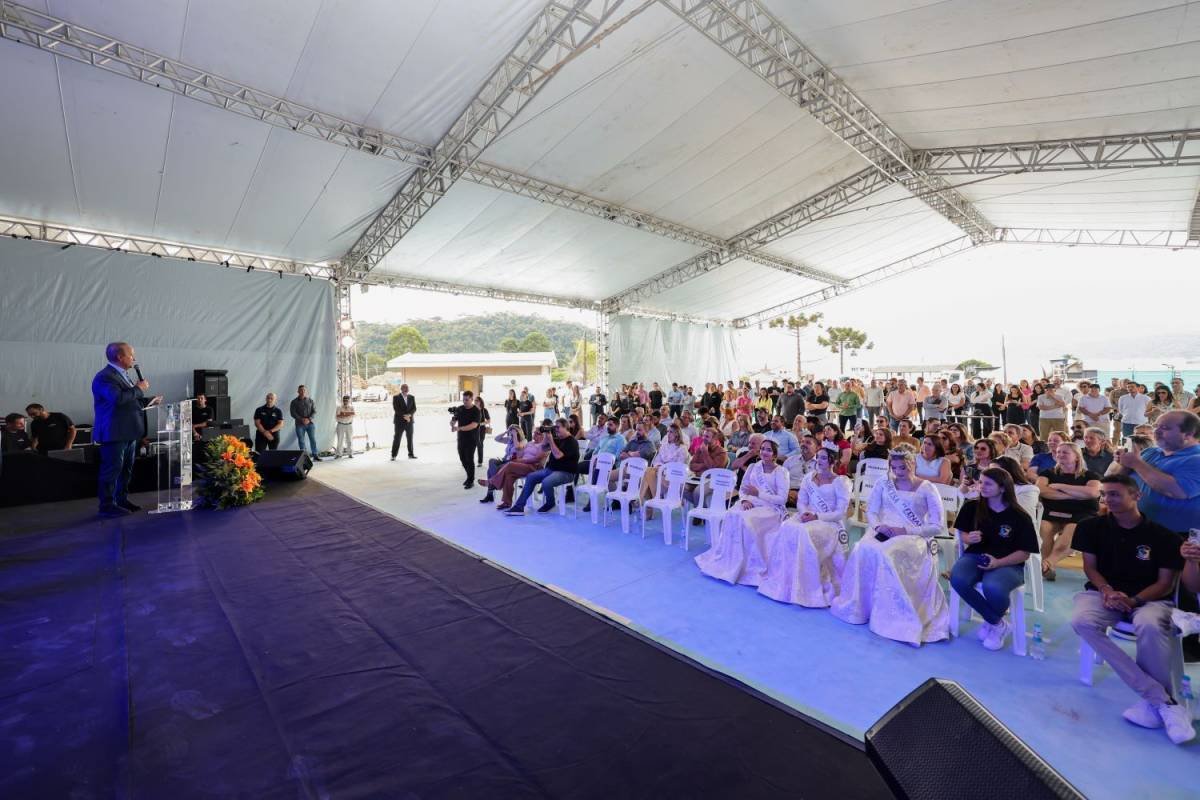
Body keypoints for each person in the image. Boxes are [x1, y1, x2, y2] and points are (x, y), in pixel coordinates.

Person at [1070, 475, 1192, 745]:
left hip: (1149, 599)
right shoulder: (1091, 527)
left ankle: (1154, 705)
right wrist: (1107, 591)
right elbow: (1090, 568)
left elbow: (1164, 583)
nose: (1107, 500)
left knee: (1149, 624)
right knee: (1082, 621)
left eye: (1115, 494)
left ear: (1136, 496)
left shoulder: (1162, 537)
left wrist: (1134, 600)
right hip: (1103, 593)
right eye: (1104, 494)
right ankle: (1163, 700)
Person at [830, 446, 950, 646]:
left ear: (912, 464)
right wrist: (878, 526)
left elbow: (936, 526)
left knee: (888, 554)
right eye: (894, 467)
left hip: (914, 536)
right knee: (861, 548)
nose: (898, 471)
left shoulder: (927, 488)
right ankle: (862, 607)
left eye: (902, 467)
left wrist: (904, 530)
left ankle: (889, 614)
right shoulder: (883, 483)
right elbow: (872, 511)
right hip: (883, 530)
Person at [949, 468, 1038, 651]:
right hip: (975, 555)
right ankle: (997, 623)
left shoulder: (1020, 516)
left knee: (993, 587)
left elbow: (1024, 553)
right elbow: (961, 534)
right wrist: (968, 538)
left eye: (988, 483)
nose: (982, 486)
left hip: (1008, 562)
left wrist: (998, 563)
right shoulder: (971, 506)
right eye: (981, 482)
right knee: (957, 578)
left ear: (1003, 487)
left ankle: (991, 622)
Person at [758, 447, 852, 607]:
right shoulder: (809, 478)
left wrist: (817, 516)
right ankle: (786, 580)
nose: (818, 461)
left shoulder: (841, 481)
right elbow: (801, 501)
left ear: (832, 461)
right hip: (807, 516)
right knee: (787, 526)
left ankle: (806, 586)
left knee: (803, 532)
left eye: (823, 458)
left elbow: (840, 512)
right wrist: (804, 513)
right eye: (818, 457)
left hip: (829, 522)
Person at [694, 439, 789, 585]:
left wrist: (759, 494)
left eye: (769, 450)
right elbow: (744, 488)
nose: (764, 452)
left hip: (771, 508)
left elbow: (781, 499)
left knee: (746, 520)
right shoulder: (753, 467)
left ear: (775, 454)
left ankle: (748, 566)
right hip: (750, 502)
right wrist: (744, 500)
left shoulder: (781, 472)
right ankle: (730, 560)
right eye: (763, 448)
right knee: (732, 514)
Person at [91, 342, 161, 517]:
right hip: (114, 432)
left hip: (129, 431)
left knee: (126, 469)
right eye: (131, 355)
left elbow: (129, 401)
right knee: (112, 469)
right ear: (120, 357)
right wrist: (138, 388)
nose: (134, 359)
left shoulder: (122, 375)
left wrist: (148, 401)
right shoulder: (105, 377)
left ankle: (121, 500)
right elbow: (117, 399)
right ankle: (107, 505)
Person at [1113, 410, 1200, 536]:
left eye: (1165, 428)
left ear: (1188, 434)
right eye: (1156, 426)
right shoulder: (1150, 452)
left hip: (1175, 535)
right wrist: (1124, 463)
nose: (1156, 431)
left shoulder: (1196, 459)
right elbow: (1120, 479)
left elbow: (1177, 491)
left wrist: (1136, 463)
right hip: (1138, 526)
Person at [1037, 442, 1102, 580]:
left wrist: (1059, 486)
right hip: (1052, 511)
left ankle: (1048, 563)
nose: (1060, 455)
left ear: (1077, 457)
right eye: (1058, 452)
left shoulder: (1090, 475)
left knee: (1070, 534)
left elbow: (1092, 493)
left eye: (1065, 452)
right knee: (1044, 530)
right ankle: (1049, 567)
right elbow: (1042, 490)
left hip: (1081, 513)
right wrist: (1075, 494)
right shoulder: (1047, 473)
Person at [505, 418, 579, 515]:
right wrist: (546, 436)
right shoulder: (557, 439)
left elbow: (558, 455)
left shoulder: (572, 442)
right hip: (551, 469)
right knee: (531, 477)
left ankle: (550, 502)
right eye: (554, 427)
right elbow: (543, 448)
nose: (555, 429)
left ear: (566, 428)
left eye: (558, 427)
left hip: (566, 472)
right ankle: (519, 507)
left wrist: (551, 440)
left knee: (546, 482)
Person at [484, 429, 549, 510]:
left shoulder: (544, 445)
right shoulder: (529, 443)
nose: (535, 434)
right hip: (523, 465)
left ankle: (492, 482)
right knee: (509, 475)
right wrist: (518, 453)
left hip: (534, 467)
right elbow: (521, 454)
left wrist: (521, 460)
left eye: (537, 433)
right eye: (534, 432)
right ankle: (506, 503)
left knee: (510, 465)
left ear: (543, 436)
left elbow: (536, 459)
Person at [450, 390, 482, 488]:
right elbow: (454, 418)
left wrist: (459, 428)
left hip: (472, 439)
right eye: (463, 400)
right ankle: (469, 477)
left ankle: (470, 480)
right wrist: (452, 423)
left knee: (469, 459)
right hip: (461, 438)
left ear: (472, 399)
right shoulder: (460, 409)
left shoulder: (476, 411)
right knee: (462, 458)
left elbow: (474, 425)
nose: (465, 402)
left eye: (467, 400)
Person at [387, 383, 417, 460]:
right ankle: (393, 455)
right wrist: (405, 416)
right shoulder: (396, 397)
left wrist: (409, 415)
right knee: (397, 438)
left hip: (409, 421)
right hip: (399, 422)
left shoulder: (412, 397)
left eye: (407, 388)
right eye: (405, 388)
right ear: (401, 389)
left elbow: (414, 408)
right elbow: (396, 409)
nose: (406, 389)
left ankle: (411, 454)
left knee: (410, 438)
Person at [290, 385, 319, 461]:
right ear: (298, 391)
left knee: (312, 439)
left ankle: (315, 454)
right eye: (301, 390)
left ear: (306, 391)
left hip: (310, 424)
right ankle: (305, 457)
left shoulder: (310, 401)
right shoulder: (294, 402)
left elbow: (314, 411)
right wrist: (301, 419)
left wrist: (309, 419)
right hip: (299, 424)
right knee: (301, 440)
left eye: (304, 390)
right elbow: (293, 413)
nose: (302, 392)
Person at [474, 395, 491, 467]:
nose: (475, 402)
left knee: (480, 445)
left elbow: (489, 420)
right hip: (473, 430)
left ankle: (480, 462)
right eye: (474, 401)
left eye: (477, 401)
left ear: (480, 402)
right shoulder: (472, 410)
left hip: (481, 430)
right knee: (472, 445)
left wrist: (480, 424)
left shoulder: (484, 410)